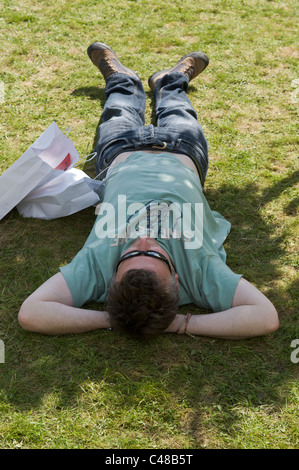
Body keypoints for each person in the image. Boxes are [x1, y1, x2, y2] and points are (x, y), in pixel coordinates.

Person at [18, 43, 279, 339]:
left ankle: (120, 76)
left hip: (119, 151)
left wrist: (113, 319)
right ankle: (170, 80)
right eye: (154, 254)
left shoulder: (96, 268)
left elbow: (31, 312)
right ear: (177, 282)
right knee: (178, 108)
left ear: (113, 279)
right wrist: (181, 324)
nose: (143, 239)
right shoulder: (201, 272)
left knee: (119, 106)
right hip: (182, 150)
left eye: (130, 254)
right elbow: (266, 317)